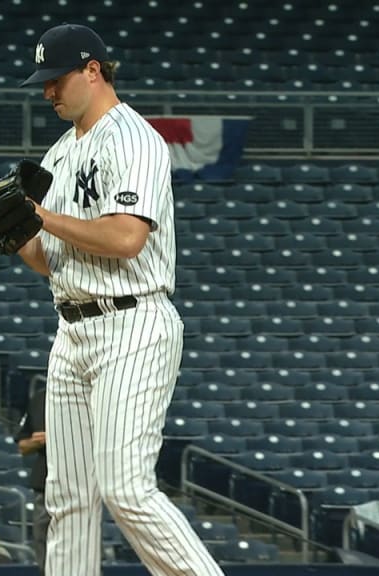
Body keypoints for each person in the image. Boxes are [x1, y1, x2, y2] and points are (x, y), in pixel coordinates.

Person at [13, 22, 225, 576]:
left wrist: (41, 216)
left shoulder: (133, 138)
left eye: (56, 79)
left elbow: (127, 239)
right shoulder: (59, 152)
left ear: (92, 70)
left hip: (131, 324)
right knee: (69, 501)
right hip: (72, 328)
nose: (47, 92)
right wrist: (18, 239)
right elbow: (51, 259)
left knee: (126, 488)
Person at [16, 386, 49, 573]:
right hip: (44, 482)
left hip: (80, 482)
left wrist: (58, 437)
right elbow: (22, 445)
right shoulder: (39, 399)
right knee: (42, 538)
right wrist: (37, 442)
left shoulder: (86, 396)